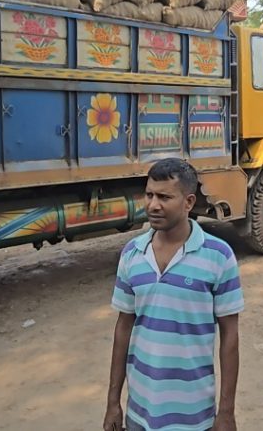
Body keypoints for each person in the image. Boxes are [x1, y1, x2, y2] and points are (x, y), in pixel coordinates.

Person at [105, 158, 243, 431]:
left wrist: (226, 411)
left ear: (189, 202)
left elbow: (230, 337)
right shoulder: (132, 254)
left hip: (194, 416)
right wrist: (112, 403)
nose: (153, 205)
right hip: (139, 413)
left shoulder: (219, 256)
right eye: (149, 194)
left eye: (164, 197)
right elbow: (123, 329)